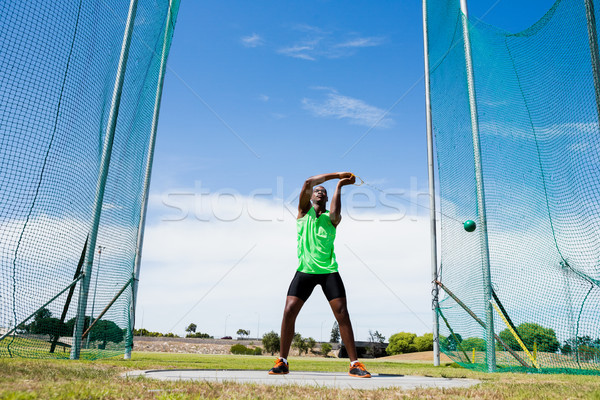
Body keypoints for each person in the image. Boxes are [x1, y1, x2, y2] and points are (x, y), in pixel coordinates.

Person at [268, 172, 371, 378]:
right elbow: (307, 182)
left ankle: (355, 364)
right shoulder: (302, 213)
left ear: (326, 198)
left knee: (342, 313)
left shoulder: (331, 219)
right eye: (317, 191)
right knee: (289, 311)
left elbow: (335, 212)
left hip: (328, 272)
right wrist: (337, 175)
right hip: (305, 271)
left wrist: (340, 186)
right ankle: (283, 361)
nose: (320, 192)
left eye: (323, 192)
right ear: (312, 196)